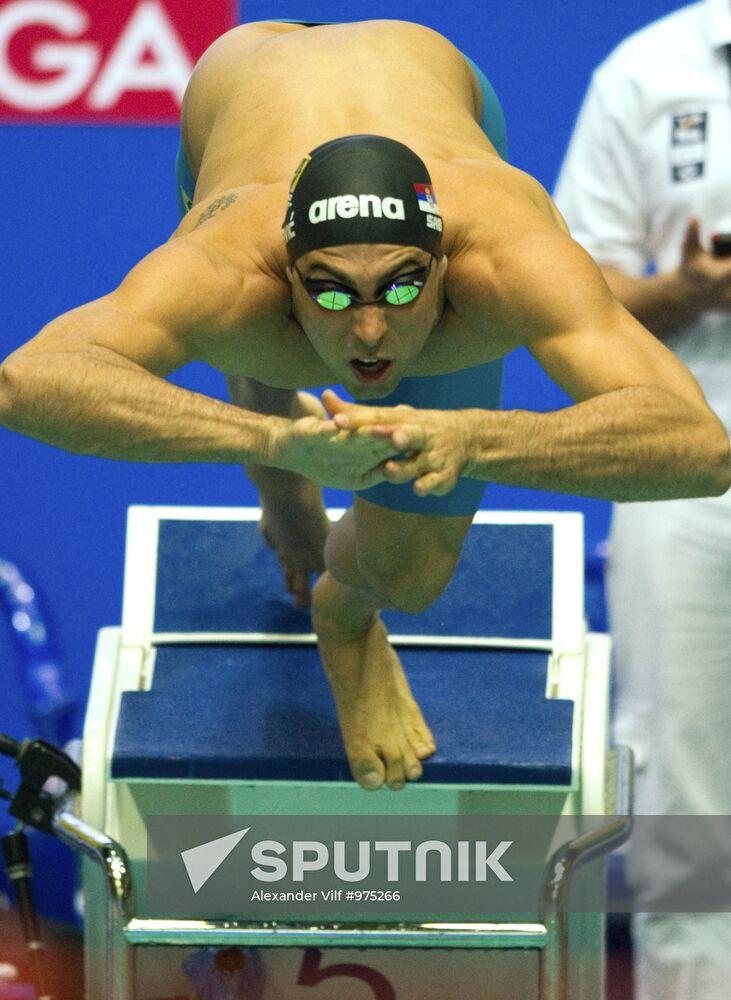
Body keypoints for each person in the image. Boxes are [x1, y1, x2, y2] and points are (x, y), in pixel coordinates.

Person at [0, 20, 728, 797]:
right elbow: (25, 383)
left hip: (431, 76)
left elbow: (703, 448)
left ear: (448, 264)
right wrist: (279, 445)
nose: (372, 329)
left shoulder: (505, 258)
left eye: (406, 286)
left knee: (410, 574)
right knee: (255, 354)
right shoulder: (226, 270)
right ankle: (283, 497)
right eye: (330, 290)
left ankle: (343, 613)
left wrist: (471, 438)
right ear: (282, 275)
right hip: (240, 86)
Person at [554, 1, 731, 997]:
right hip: (680, 439)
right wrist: (689, 291)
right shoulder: (647, 68)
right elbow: (569, 288)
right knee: (685, 779)